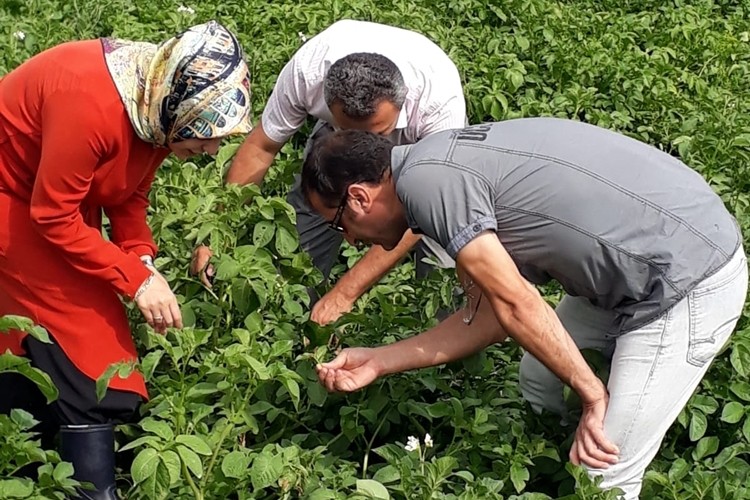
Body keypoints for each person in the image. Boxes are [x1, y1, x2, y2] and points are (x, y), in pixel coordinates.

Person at [299, 119, 747, 498]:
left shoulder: (427, 185)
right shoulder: (432, 165)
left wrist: (593, 395)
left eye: (340, 224)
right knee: (540, 382)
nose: (352, 242)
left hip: (683, 276)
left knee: (604, 472)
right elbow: (492, 319)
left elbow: (516, 302)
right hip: (633, 266)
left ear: (359, 197)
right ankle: (550, 477)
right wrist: (377, 361)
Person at [0, 21, 251, 498]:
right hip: (14, 198)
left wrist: (142, 258)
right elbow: (52, 216)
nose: (212, 149)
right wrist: (133, 281)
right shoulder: (91, 103)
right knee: (87, 344)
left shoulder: (153, 103)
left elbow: (128, 195)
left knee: (45, 336)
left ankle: (27, 453)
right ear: (180, 109)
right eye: (207, 135)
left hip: (49, 201)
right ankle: (91, 489)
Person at [190, 19, 466, 326]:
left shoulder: (437, 104)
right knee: (310, 225)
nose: (362, 147)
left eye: (376, 133)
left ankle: (447, 352)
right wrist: (216, 233)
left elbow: (430, 207)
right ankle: (294, 324)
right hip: (333, 146)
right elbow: (261, 148)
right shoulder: (308, 72)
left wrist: (345, 292)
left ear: (401, 107)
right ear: (328, 103)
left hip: (419, 156)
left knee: (444, 255)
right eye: (350, 133)